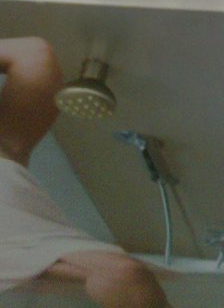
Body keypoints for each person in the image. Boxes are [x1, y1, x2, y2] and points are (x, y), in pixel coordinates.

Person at [0, 36, 173, 308]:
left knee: (129, 275)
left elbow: (33, 53)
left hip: (32, 243)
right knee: (125, 274)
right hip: (24, 248)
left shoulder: (7, 143)